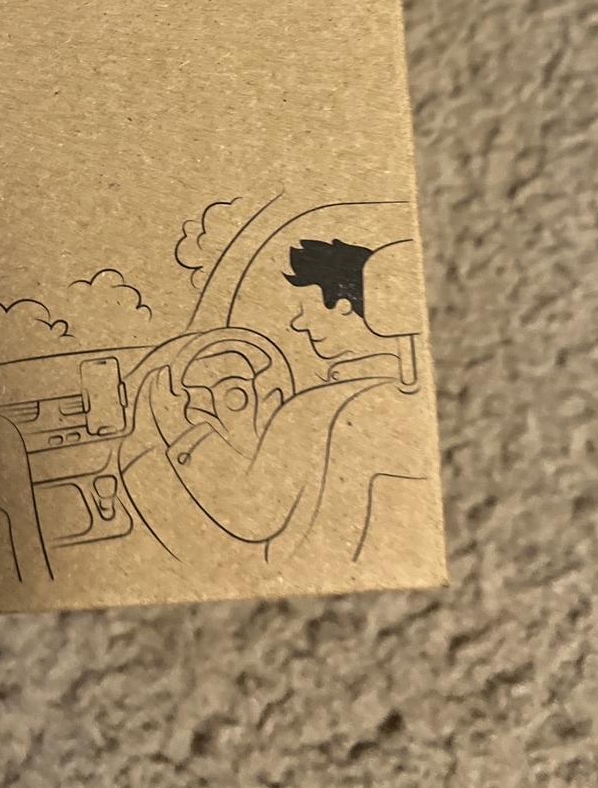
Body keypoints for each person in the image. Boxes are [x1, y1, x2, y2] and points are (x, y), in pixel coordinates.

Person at [143, 238, 436, 572]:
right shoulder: (400, 399)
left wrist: (180, 430)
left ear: (342, 306)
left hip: (300, 569)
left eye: (305, 309)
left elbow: (251, 509)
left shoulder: (318, 408)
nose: (299, 323)